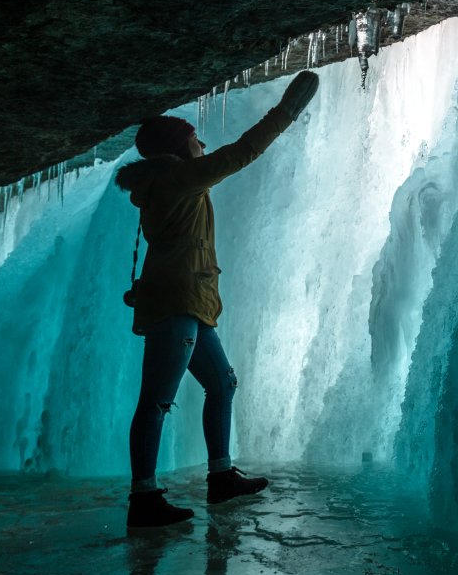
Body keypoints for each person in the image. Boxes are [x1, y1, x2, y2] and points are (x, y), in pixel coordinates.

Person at [114, 70, 320, 528]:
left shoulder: (167, 185)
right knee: (157, 400)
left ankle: (221, 475)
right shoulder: (179, 180)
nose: (202, 146)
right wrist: (285, 112)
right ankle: (143, 498)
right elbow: (241, 153)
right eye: (195, 139)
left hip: (190, 303)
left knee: (221, 384)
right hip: (179, 304)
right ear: (178, 149)